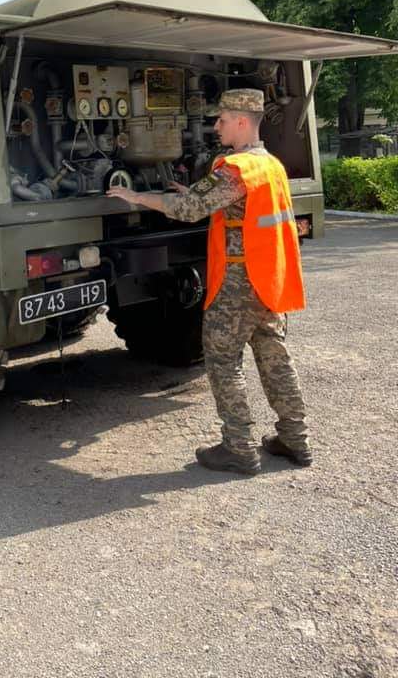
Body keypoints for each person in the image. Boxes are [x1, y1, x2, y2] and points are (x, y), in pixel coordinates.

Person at [106, 88, 311, 475]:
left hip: (238, 282)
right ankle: (295, 439)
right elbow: (222, 202)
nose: (216, 126)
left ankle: (238, 448)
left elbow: (186, 210)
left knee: (223, 361)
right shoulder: (269, 165)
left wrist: (137, 197)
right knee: (275, 358)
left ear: (241, 121)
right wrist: (195, 191)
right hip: (270, 279)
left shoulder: (235, 169)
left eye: (221, 120)